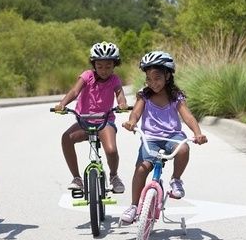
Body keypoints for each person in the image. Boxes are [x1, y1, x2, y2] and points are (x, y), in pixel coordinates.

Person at [120, 51, 208, 223]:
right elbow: (136, 112)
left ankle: (176, 179)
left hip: (172, 136)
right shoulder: (144, 95)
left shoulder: (175, 96)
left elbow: (188, 117)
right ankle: (133, 205)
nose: (153, 83)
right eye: (149, 79)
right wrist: (131, 122)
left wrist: (197, 133)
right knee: (141, 169)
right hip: (150, 139)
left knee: (183, 149)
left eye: (157, 78)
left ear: (167, 76)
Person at [54, 41, 128, 193]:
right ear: (94, 64)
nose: (104, 70)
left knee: (111, 150)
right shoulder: (87, 76)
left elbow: (120, 96)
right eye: (99, 66)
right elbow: (74, 92)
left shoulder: (115, 80)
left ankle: (114, 176)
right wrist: (62, 104)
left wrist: (122, 104)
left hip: (105, 122)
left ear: (115, 65)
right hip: (84, 121)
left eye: (108, 66)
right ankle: (76, 178)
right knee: (66, 138)